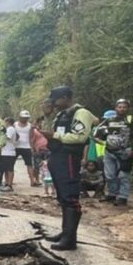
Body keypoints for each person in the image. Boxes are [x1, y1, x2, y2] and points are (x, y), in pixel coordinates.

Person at [44, 86, 98, 251]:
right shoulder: (61, 114)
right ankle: (66, 232)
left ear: (66, 97)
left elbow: (79, 136)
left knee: (70, 196)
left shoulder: (81, 113)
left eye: (56, 100)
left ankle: (70, 239)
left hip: (68, 157)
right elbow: (50, 131)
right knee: (61, 195)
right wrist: (47, 115)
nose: (53, 103)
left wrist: (55, 136)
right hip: (57, 155)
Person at [95, 99, 133, 205]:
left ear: (128, 108)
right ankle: (112, 194)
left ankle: (123, 197)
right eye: (120, 107)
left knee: (124, 175)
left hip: (126, 151)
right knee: (110, 175)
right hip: (109, 151)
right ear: (115, 108)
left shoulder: (132, 120)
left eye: (124, 107)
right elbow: (96, 133)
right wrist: (103, 142)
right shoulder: (109, 120)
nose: (122, 109)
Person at [12, 110, 37, 186]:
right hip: (16, 146)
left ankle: (32, 181)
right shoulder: (15, 125)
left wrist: (32, 147)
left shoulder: (30, 126)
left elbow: (31, 137)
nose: (25, 119)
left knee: (29, 164)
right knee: (11, 164)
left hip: (26, 147)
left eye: (26, 118)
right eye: (23, 117)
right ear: (20, 117)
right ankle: (10, 181)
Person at [0, 117, 18, 192]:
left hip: (9, 152)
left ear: (7, 122)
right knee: (5, 169)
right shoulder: (9, 129)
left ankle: (10, 184)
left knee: (10, 169)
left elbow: (8, 137)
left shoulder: (11, 129)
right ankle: (6, 183)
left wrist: (3, 132)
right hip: (5, 152)